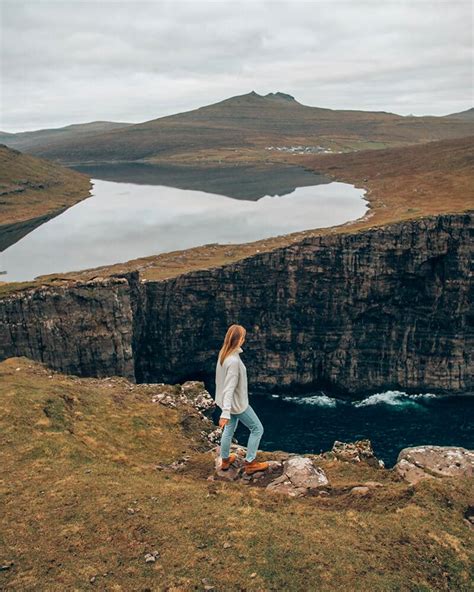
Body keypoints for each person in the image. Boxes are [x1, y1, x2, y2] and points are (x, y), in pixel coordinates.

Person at [214, 324, 269, 475]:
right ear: (238, 340)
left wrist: (225, 409)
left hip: (227, 403)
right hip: (236, 405)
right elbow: (229, 388)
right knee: (257, 429)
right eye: (243, 337)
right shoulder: (234, 361)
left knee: (229, 430)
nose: (244, 340)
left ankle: (225, 460)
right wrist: (225, 413)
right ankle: (250, 463)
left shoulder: (223, 354)